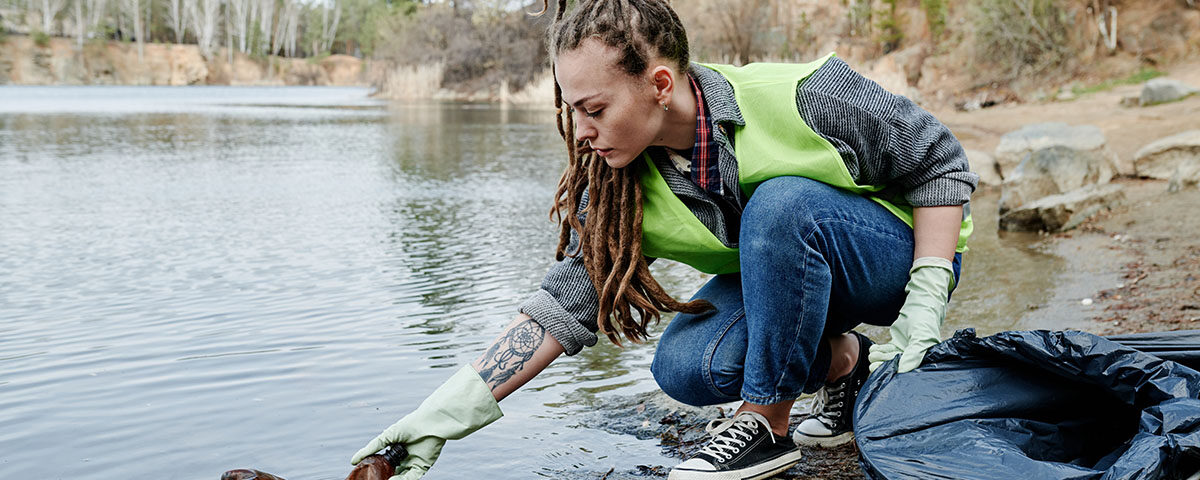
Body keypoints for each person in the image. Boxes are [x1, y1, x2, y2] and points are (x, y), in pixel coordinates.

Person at [350, 0, 977, 478]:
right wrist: (437, 419)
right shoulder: (621, 182)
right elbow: (560, 308)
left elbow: (940, 162)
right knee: (685, 364)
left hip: (896, 264)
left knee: (780, 204)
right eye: (572, 110)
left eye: (594, 108)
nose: (581, 130)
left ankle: (767, 425)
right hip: (801, 284)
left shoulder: (803, 94)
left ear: (658, 84)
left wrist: (921, 311)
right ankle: (842, 361)